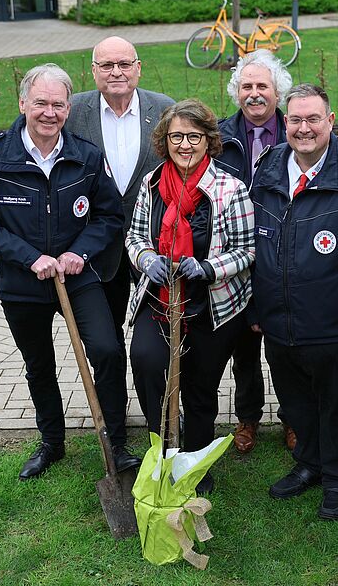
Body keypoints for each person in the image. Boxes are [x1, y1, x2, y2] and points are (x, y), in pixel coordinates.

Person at [0, 63, 141, 480]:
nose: (49, 112)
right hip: (23, 283)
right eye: (40, 102)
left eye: (58, 104)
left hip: (78, 279)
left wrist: (79, 252)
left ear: (68, 108)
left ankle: (116, 442)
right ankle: (52, 443)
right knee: (38, 363)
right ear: (23, 103)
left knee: (108, 352)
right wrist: (29, 257)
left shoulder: (86, 156)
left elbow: (109, 216)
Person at [250, 83, 338, 520]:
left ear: (331, 121)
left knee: (333, 404)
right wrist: (256, 308)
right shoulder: (270, 162)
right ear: (284, 122)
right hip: (278, 316)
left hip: (331, 319)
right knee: (293, 401)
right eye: (295, 119)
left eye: (313, 119)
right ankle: (309, 463)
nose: (304, 128)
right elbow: (256, 239)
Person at [125, 99, 255, 495]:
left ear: (208, 140)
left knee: (200, 387)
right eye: (176, 136)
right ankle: (162, 447)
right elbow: (134, 237)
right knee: (147, 363)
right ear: (164, 140)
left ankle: (196, 460)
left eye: (193, 137)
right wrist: (147, 258)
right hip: (161, 301)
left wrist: (208, 267)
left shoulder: (230, 188)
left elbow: (248, 251)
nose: (184, 145)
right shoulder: (151, 185)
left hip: (211, 306)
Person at [65, 36, 175, 385]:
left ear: (138, 69)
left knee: (156, 338)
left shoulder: (164, 109)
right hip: (98, 246)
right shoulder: (72, 111)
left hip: (155, 244)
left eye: (124, 64)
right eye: (107, 65)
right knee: (106, 343)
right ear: (93, 71)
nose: (116, 72)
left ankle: (164, 413)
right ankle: (113, 418)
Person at [216, 49, 295, 454]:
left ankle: (293, 419)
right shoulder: (219, 137)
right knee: (242, 349)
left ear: (277, 91)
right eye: (246, 86)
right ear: (237, 93)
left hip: (282, 256)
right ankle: (247, 419)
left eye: (262, 86)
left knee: (283, 345)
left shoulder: (294, 133)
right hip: (232, 261)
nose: (254, 94)